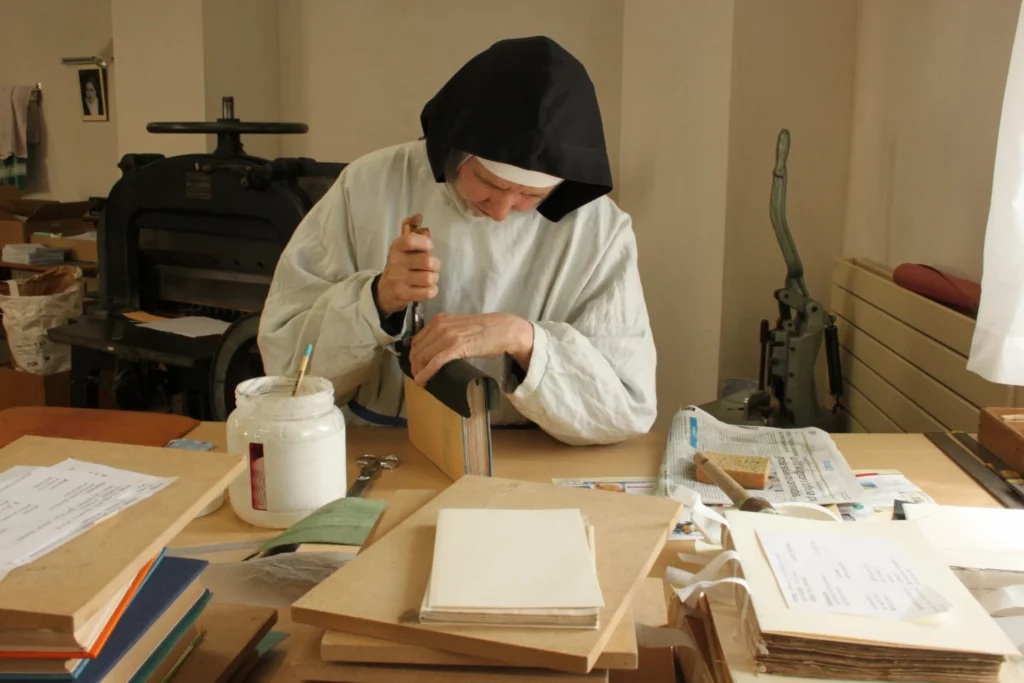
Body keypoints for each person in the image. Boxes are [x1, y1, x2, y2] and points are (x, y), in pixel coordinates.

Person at [258, 36, 656, 445]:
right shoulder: (369, 184)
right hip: (380, 443)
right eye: (486, 182)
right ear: (452, 150)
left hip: (529, 453)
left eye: (530, 197)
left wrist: (524, 340)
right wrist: (376, 302)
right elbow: (286, 369)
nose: (501, 211)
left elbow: (624, 407)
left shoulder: (597, 228)